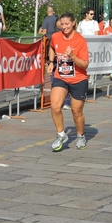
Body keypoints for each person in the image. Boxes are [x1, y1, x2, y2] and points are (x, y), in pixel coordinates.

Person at [47, 12, 89, 151]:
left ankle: (80, 135)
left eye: (67, 24)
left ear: (73, 23)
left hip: (78, 79)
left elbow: (84, 64)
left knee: (76, 112)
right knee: (55, 106)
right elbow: (52, 47)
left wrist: (72, 56)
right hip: (61, 77)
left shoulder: (80, 40)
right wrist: (51, 62)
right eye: (62, 24)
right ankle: (61, 134)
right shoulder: (56, 36)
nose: (64, 27)